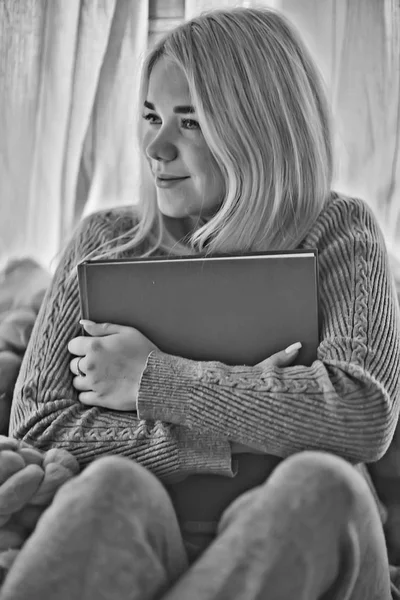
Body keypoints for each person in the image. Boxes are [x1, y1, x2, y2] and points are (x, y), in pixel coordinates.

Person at [3, 6, 400, 600]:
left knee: (320, 483)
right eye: (151, 117)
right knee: (111, 485)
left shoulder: (341, 230)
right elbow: (38, 426)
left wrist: (156, 380)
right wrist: (229, 432)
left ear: (260, 127)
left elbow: (362, 413)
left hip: (315, 547)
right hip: (151, 537)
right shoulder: (104, 241)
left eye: (190, 122)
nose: (156, 147)